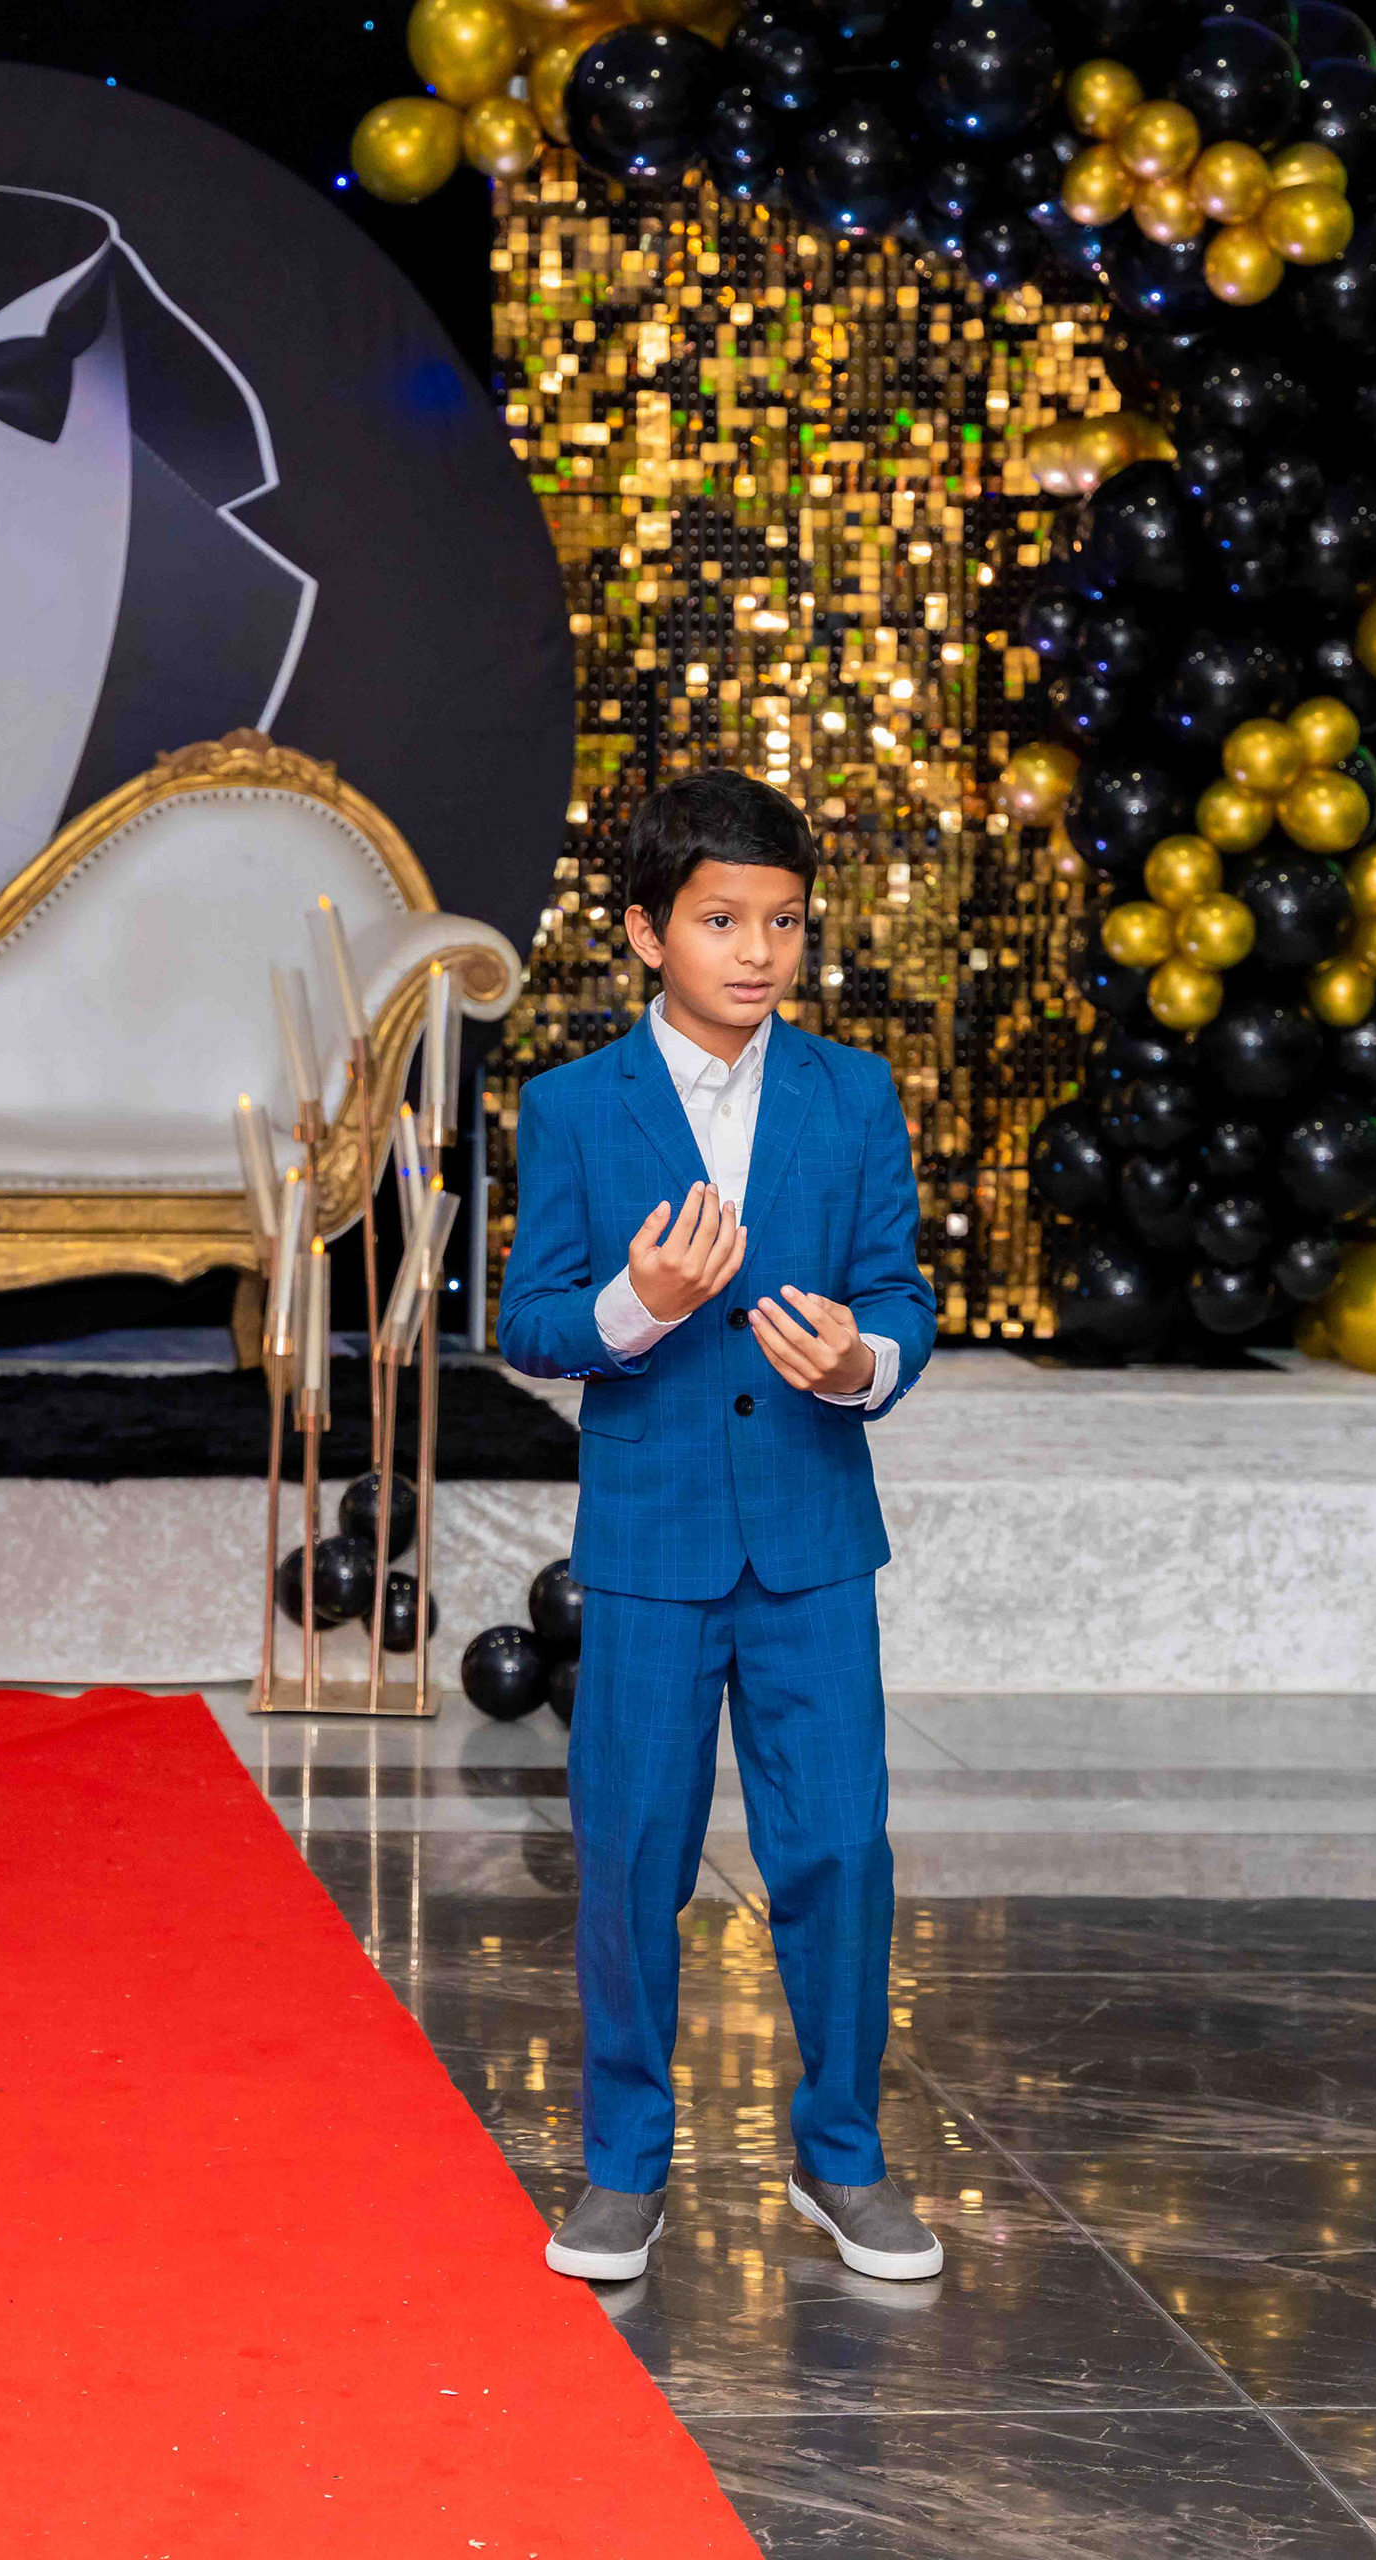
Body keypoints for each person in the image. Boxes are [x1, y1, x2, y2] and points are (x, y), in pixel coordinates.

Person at [495, 769, 943, 2288]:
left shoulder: (852, 1095)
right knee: (631, 1854)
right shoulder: (572, 1107)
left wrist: (863, 1363)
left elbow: (899, 1292)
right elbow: (530, 1321)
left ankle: (844, 2158)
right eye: (721, 921)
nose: (758, 952)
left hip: (814, 1539)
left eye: (786, 923)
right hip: (652, 1545)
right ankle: (625, 2165)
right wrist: (639, 1305)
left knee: (842, 1852)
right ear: (645, 932)